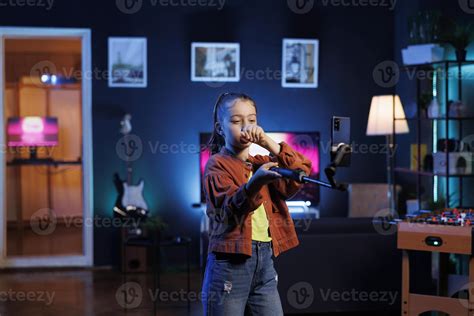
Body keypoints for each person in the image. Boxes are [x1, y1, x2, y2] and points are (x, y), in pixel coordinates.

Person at [201, 92, 312, 315]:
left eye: (251, 120)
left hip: (265, 263)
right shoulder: (216, 165)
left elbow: (302, 171)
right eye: (235, 121)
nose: (245, 127)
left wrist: (268, 142)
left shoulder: (262, 163)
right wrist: (255, 182)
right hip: (229, 266)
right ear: (220, 128)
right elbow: (228, 211)